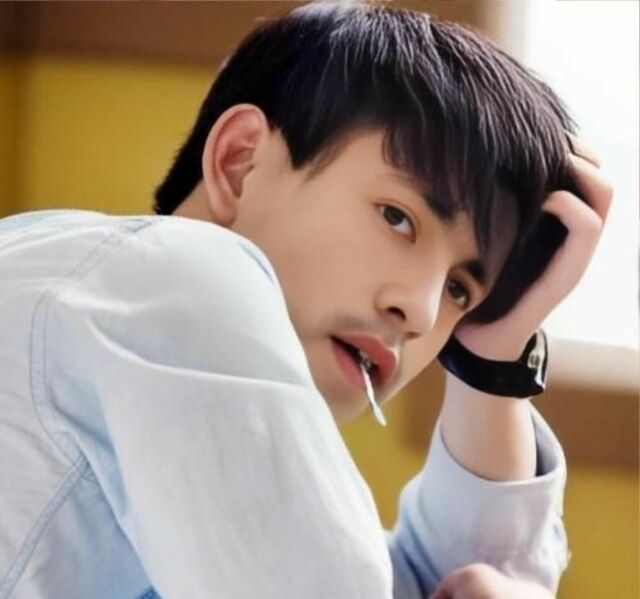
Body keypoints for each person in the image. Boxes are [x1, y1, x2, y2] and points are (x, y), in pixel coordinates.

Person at [0, 2, 612, 599]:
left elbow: (432, 585)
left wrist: (492, 366)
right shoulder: (183, 280)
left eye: (459, 288)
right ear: (240, 163)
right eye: (397, 218)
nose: (424, 314)